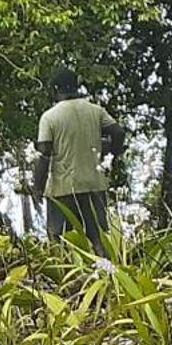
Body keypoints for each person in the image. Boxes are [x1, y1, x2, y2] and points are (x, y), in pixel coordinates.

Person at [33, 67, 124, 257]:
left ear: (55, 89)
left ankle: (67, 281)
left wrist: (37, 188)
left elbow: (44, 155)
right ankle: (107, 278)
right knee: (98, 240)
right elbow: (118, 132)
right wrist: (111, 152)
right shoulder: (95, 111)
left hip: (63, 189)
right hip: (94, 185)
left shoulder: (50, 117)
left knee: (60, 242)